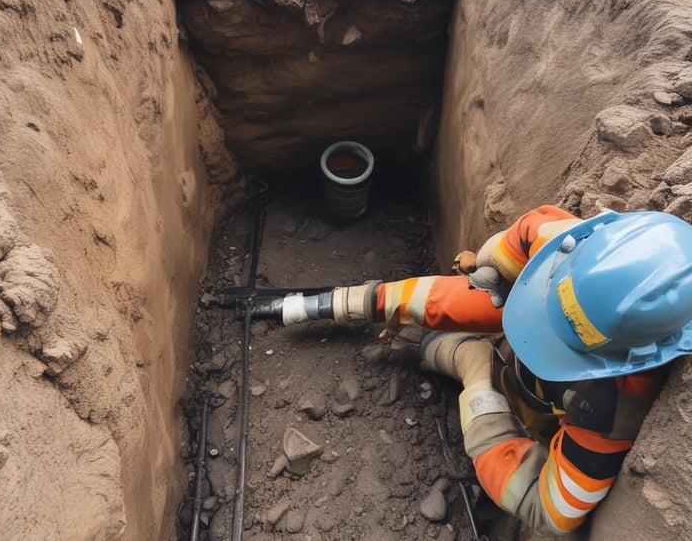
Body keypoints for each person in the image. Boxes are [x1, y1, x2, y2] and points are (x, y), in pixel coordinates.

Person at [272, 204, 692, 535]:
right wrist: (494, 270)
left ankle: (458, 355)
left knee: (474, 354)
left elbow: (550, 511)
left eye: (561, 338)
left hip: (529, 407)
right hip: (526, 330)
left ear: (632, 354)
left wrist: (476, 379)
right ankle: (353, 303)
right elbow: (522, 237)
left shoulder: (609, 410)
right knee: (480, 295)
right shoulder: (564, 242)